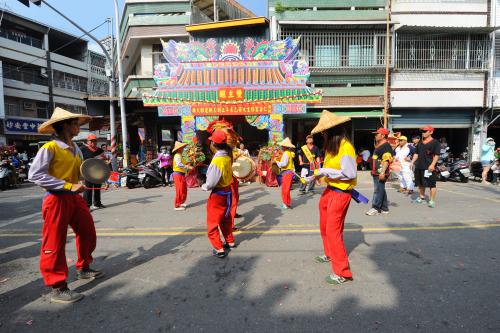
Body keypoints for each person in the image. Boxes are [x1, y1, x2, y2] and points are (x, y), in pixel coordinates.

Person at [28, 107, 103, 304]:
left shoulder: (76, 148)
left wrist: (96, 177)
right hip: (56, 199)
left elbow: (79, 172)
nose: (79, 127)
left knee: (88, 232)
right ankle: (58, 286)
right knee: (54, 242)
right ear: (64, 126)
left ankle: (83, 268)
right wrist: (68, 185)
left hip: (74, 199)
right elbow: (34, 175)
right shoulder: (49, 148)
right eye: (75, 124)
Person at [306, 111, 357, 285]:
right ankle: (329, 253)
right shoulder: (331, 147)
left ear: (332, 131)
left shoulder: (346, 147)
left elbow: (349, 174)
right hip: (330, 190)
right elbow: (328, 169)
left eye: (324, 132)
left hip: (341, 193)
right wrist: (316, 175)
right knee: (324, 226)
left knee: (333, 231)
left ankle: (342, 272)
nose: (322, 135)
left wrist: (325, 172)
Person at [201, 130, 235, 258]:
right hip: (227, 191)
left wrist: (204, 186)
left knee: (213, 222)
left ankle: (218, 248)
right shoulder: (227, 156)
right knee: (225, 219)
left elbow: (211, 182)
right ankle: (230, 241)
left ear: (214, 144)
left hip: (218, 194)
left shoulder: (218, 160)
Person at [366, 128, 393, 216]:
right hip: (376, 172)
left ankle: (375, 208)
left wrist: (382, 172)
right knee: (381, 189)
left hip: (380, 172)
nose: (375, 136)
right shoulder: (380, 145)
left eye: (377, 134)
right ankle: (384, 208)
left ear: (383, 135)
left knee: (377, 190)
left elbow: (386, 160)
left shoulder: (386, 146)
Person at [411, 125, 441, 208]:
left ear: (431, 132)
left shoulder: (435, 143)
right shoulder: (420, 143)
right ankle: (421, 197)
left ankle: (431, 200)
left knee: (432, 184)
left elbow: (436, 155)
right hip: (419, 166)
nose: (423, 133)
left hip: (429, 168)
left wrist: (432, 165)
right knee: (420, 183)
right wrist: (412, 162)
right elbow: (416, 153)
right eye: (422, 131)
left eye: (425, 131)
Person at [80, 134, 105, 209]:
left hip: (98, 172)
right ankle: (87, 206)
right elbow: (79, 160)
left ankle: (97, 203)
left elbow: (103, 160)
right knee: (88, 189)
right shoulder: (82, 149)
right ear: (87, 142)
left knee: (97, 188)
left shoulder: (100, 150)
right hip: (87, 172)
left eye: (95, 141)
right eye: (91, 141)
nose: (93, 142)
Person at [275, 137, 296, 210]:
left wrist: (277, 162)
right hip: (289, 173)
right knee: (287, 189)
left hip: (287, 173)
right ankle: (287, 202)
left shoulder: (286, 153)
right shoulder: (289, 153)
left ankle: (285, 203)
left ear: (284, 146)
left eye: (282, 146)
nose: (281, 147)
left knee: (285, 189)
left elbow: (284, 164)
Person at [172, 141, 189, 211]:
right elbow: (179, 164)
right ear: (179, 149)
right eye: (182, 148)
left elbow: (183, 163)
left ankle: (181, 202)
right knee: (179, 189)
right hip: (178, 174)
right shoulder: (177, 155)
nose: (183, 149)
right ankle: (177, 205)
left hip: (181, 174)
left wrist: (188, 163)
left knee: (183, 189)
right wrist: (186, 166)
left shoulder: (180, 155)